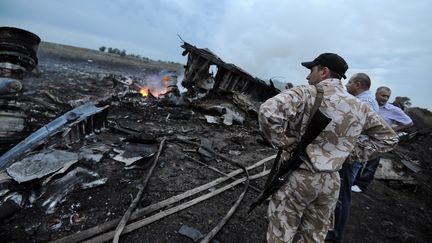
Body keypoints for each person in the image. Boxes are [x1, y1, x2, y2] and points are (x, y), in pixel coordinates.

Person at [259, 53, 398, 243]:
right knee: (314, 236)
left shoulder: (306, 92)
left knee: (281, 234)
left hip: (300, 175)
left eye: (311, 70)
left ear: (324, 72)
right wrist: (349, 154)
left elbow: (268, 111)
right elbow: (389, 138)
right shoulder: (361, 107)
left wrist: (282, 141)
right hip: (332, 182)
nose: (308, 76)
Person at [326, 73, 380, 242]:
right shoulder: (367, 100)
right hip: (353, 153)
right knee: (339, 193)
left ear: (357, 85)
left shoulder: (364, 103)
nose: (347, 85)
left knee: (342, 196)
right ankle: (332, 229)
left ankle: (334, 235)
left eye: (349, 82)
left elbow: (351, 128)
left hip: (352, 155)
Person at [351, 86, 413, 193]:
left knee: (371, 164)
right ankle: (352, 182)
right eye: (383, 95)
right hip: (362, 138)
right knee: (358, 161)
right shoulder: (369, 104)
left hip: (379, 141)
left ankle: (361, 185)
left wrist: (393, 130)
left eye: (387, 97)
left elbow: (409, 122)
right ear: (376, 94)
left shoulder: (393, 110)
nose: (385, 98)